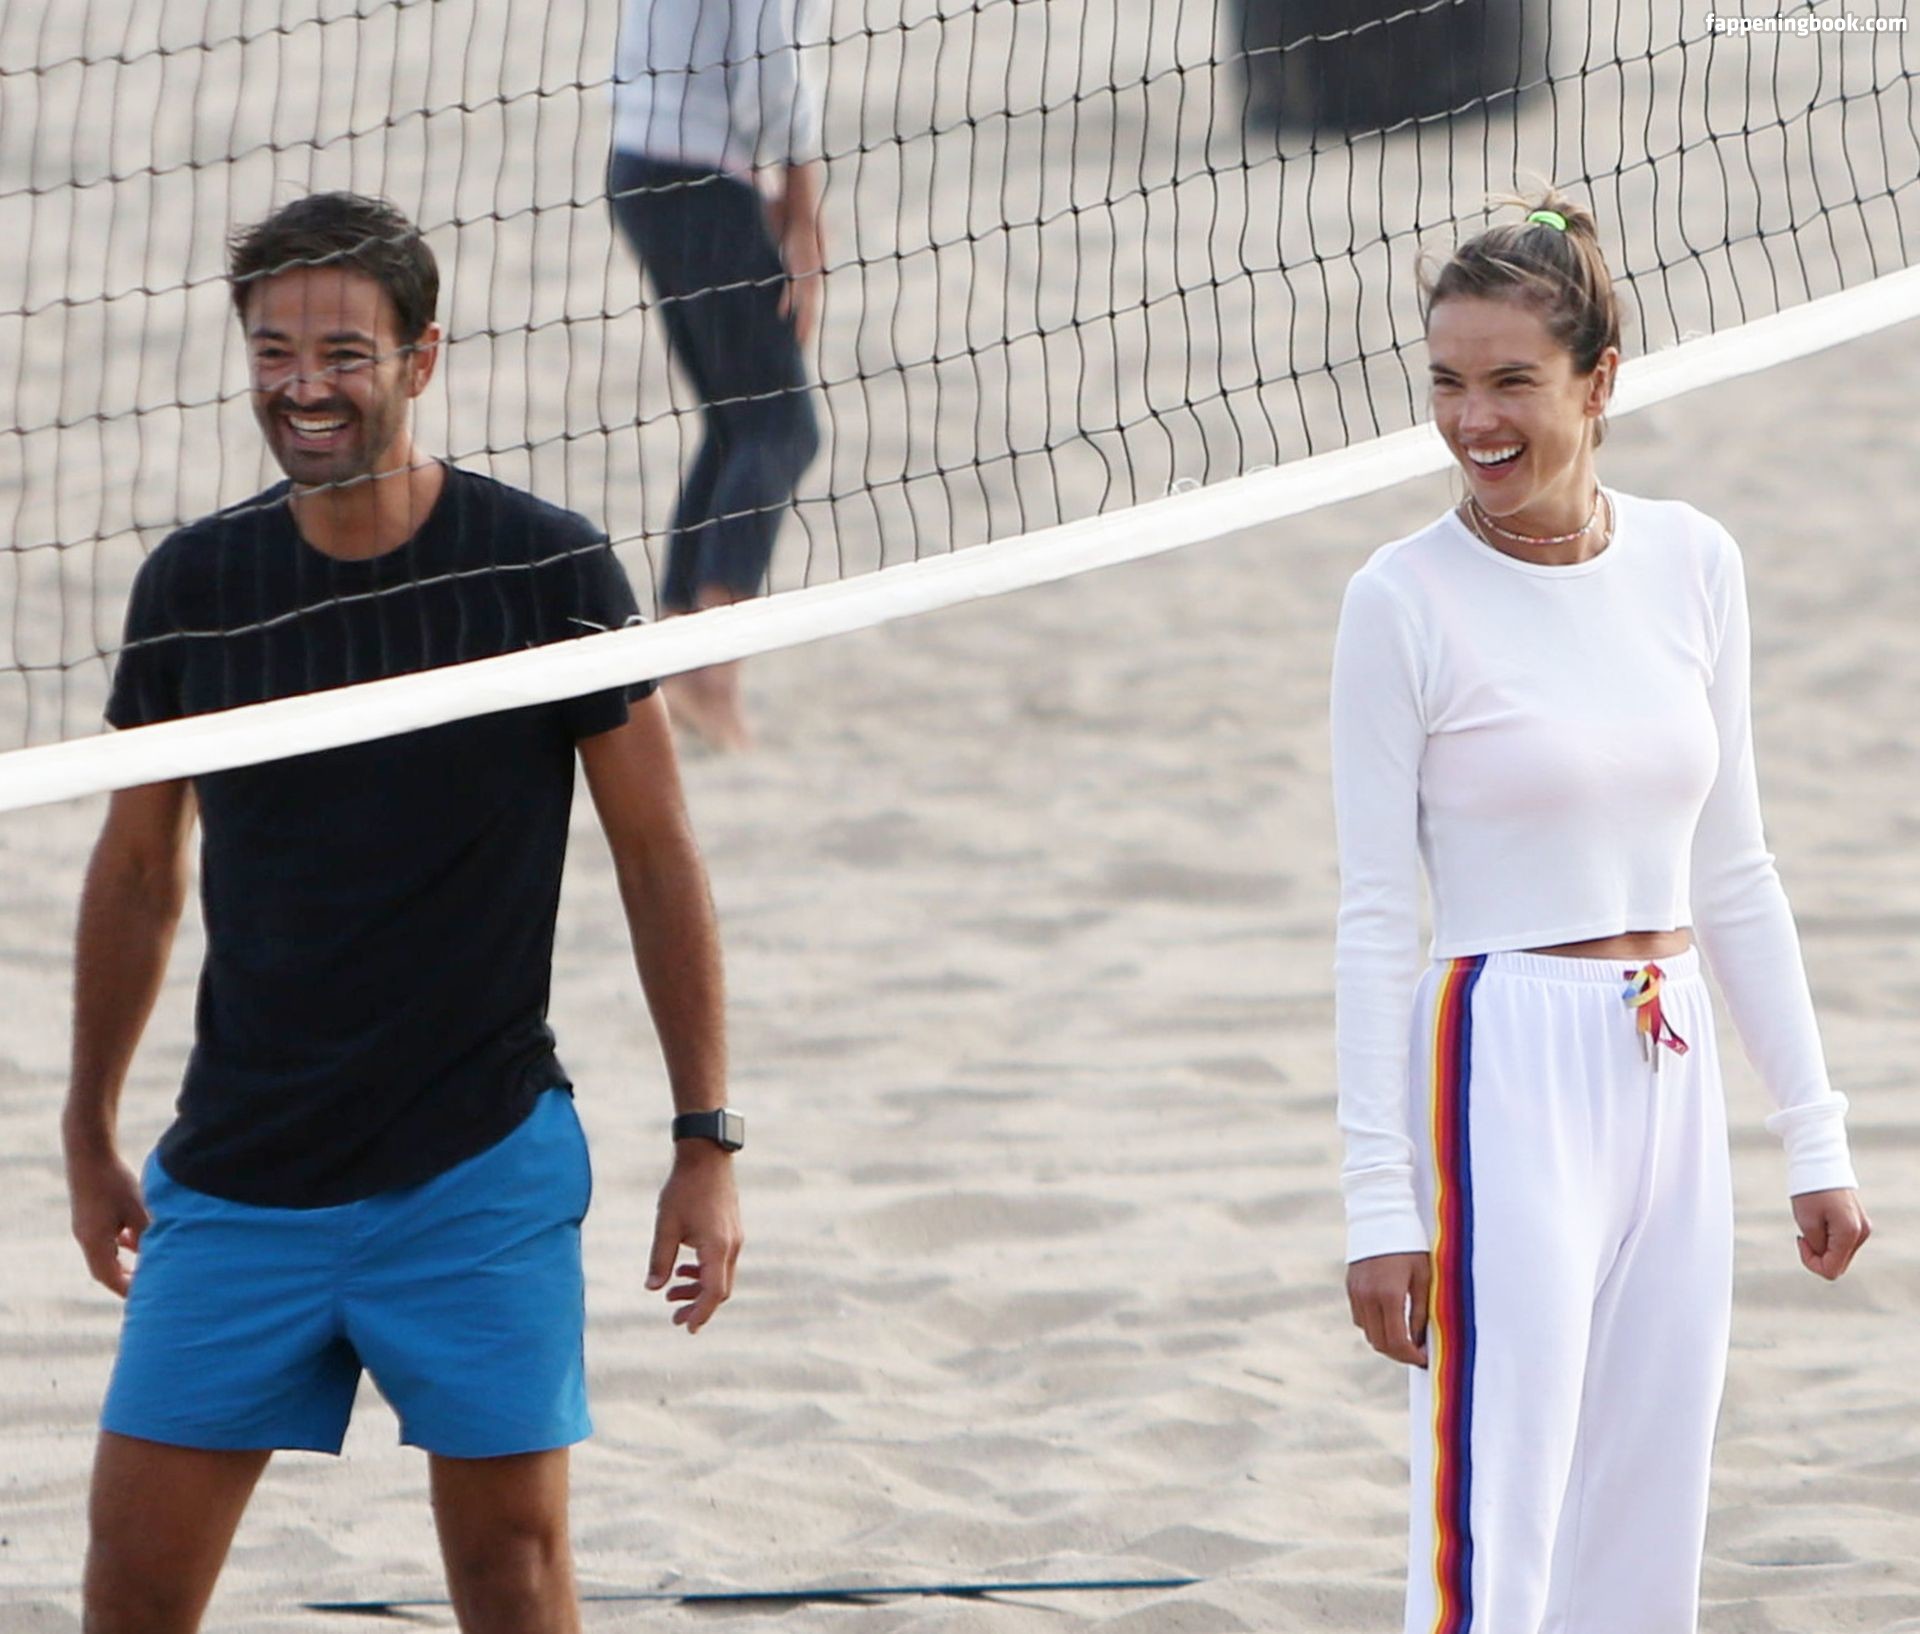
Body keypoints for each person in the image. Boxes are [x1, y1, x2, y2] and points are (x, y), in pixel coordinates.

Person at [62, 191, 745, 1634]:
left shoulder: (543, 570)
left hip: (473, 1164)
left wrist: (706, 1137)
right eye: (273, 350)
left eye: (342, 352)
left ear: (421, 358)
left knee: (513, 1576)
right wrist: (86, 1129)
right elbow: (136, 874)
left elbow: (657, 855)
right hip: (240, 1173)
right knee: (131, 1590)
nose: (303, 385)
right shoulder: (197, 585)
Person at [1329, 191, 1871, 1634]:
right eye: (1448, 380)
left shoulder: (1694, 559)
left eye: (1511, 379)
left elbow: (1736, 869)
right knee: (1495, 1526)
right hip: (1503, 1055)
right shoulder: (1401, 600)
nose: (1473, 419)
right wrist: (1379, 1201)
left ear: (1599, 381)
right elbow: (1375, 917)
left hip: (1669, 1056)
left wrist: (1811, 1130)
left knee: (1645, 1520)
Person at [608, 0, 825, 751]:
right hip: (696, 175)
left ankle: (677, 652)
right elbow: (771, 64)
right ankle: (710, 677)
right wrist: (802, 205)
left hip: (641, 162)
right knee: (781, 429)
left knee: (737, 425)